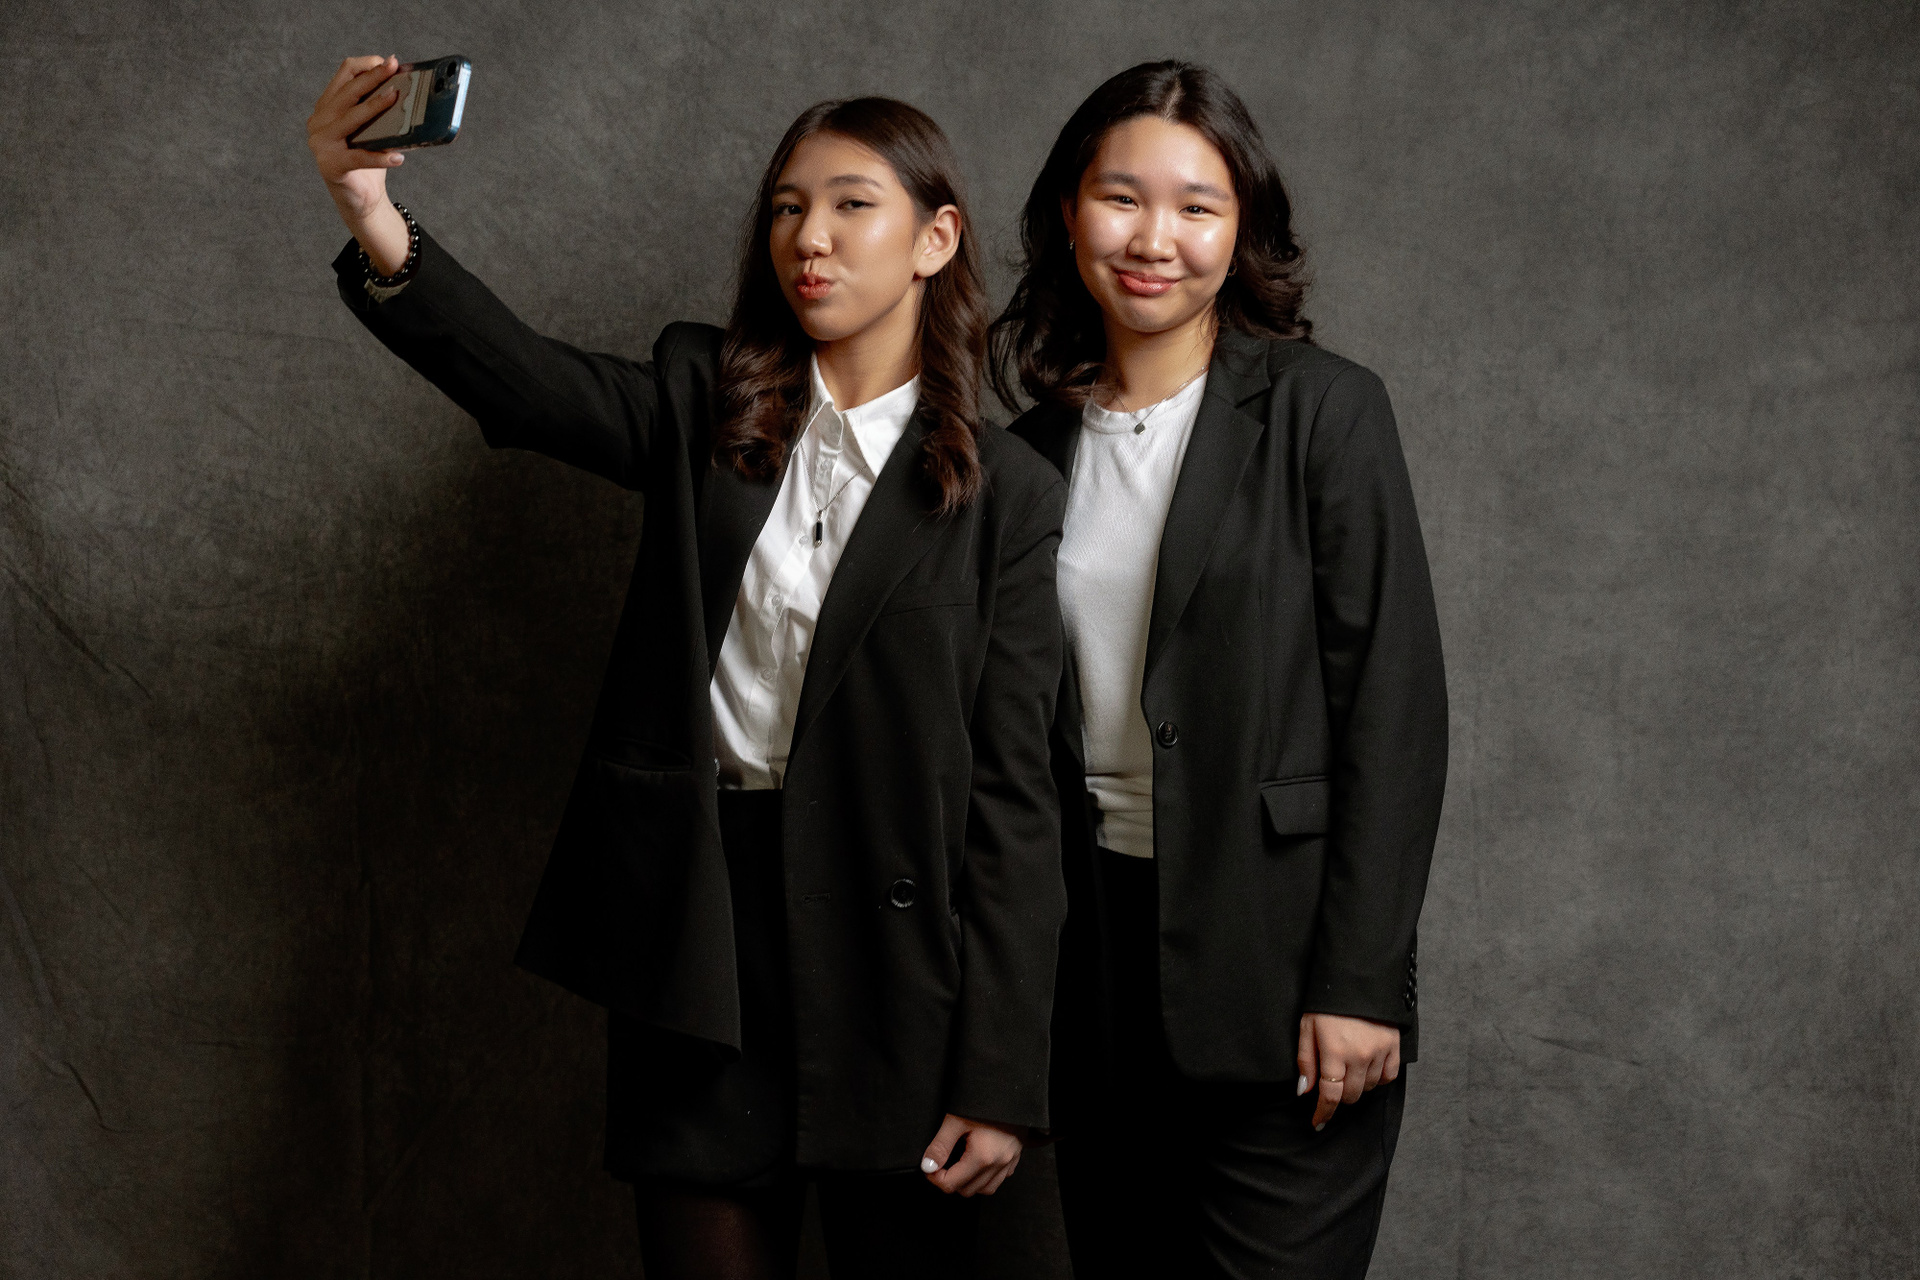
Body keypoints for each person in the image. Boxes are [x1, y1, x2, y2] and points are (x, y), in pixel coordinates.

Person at [306, 57, 1068, 1280]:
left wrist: (1000, 1073)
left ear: (936, 239)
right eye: (787, 208)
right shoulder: (704, 399)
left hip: (898, 971)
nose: (809, 237)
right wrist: (369, 211)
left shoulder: (1007, 493)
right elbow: (525, 382)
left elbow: (1015, 802)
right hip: (706, 937)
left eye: (851, 205)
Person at [992, 60, 1449, 1279]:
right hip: (1093, 969)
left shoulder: (1322, 411)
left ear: (1242, 228)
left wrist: (1363, 980)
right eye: (1121, 198)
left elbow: (1394, 709)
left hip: (1282, 965)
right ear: (1069, 214)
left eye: (1197, 205)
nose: (1155, 239)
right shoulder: (1026, 455)